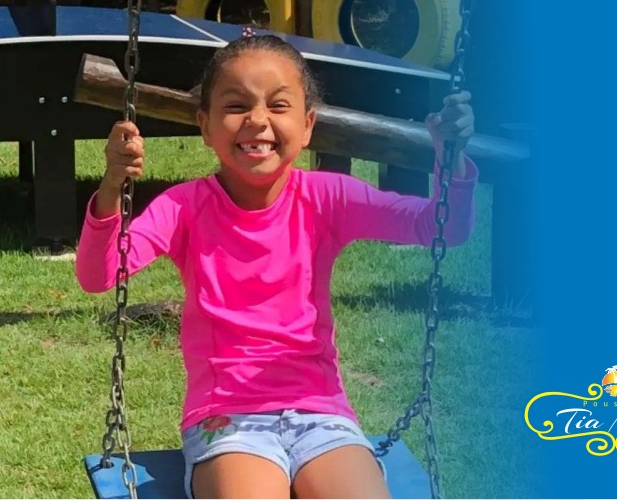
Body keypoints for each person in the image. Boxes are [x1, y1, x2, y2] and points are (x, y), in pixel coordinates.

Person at [75, 33, 478, 499]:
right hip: (227, 416)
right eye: (236, 105)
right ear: (205, 126)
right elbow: (99, 275)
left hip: (321, 412)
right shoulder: (183, 207)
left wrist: (450, 158)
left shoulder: (328, 198)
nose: (258, 120)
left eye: (279, 105)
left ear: (307, 125)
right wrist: (112, 187)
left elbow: (441, 227)